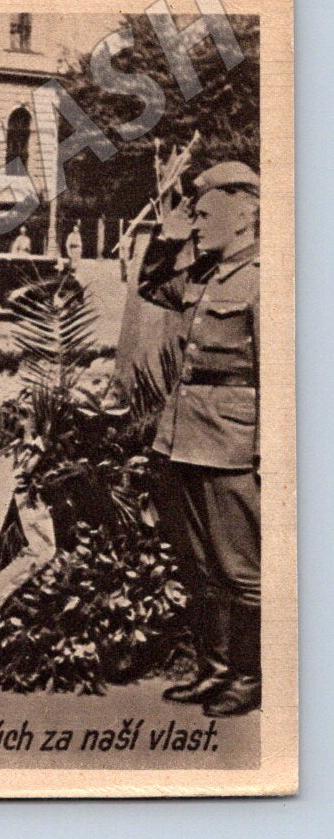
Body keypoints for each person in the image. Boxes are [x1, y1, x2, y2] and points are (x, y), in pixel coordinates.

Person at [139, 161, 262, 718]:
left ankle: (249, 675)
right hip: (184, 435)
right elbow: (151, 286)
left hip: (233, 443)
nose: (196, 223)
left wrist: (266, 452)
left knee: (241, 568)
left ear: (244, 214)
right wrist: (165, 240)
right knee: (200, 564)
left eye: (206, 214)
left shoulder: (262, 277)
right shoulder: (204, 273)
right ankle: (214, 669)